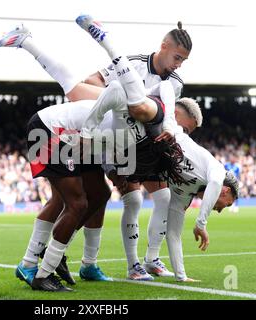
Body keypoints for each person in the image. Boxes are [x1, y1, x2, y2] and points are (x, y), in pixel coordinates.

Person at [0, 18, 184, 288]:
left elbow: (120, 141)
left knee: (98, 195)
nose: (178, 64)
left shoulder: (142, 117)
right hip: (50, 130)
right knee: (72, 203)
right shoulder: (142, 103)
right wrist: (170, 126)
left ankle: (78, 262)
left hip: (79, 130)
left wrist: (117, 164)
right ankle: (33, 266)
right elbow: (130, 92)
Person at [75, 14, 196, 280]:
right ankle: (133, 267)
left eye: (183, 61)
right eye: (177, 57)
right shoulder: (134, 64)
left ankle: (152, 258)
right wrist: (122, 102)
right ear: (164, 46)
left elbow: (164, 116)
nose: (179, 65)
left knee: (164, 197)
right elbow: (89, 82)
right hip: (117, 139)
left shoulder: (174, 83)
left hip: (148, 144)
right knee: (134, 198)